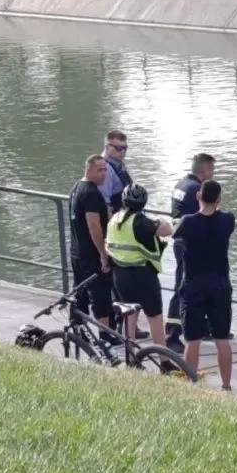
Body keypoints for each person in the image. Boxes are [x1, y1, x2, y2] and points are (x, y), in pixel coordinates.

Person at [174, 180, 236, 391]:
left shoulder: (188, 222)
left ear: (198, 196)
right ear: (219, 199)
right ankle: (226, 386)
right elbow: (226, 220)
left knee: (192, 340)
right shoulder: (228, 220)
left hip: (193, 286)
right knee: (222, 339)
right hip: (220, 285)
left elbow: (175, 234)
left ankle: (191, 385)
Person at [106, 183, 173, 344]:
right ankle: (163, 360)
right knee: (155, 317)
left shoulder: (114, 219)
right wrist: (162, 220)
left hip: (120, 275)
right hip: (143, 275)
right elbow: (167, 230)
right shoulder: (142, 222)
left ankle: (131, 357)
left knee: (130, 314)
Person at [165, 153, 216, 352]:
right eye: (212, 170)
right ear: (204, 170)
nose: (213, 174)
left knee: (197, 286)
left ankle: (201, 326)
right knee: (183, 288)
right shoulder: (197, 189)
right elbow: (206, 213)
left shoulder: (181, 184)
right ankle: (172, 334)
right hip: (191, 244)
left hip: (181, 240)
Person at [69, 154, 114, 336]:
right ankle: (105, 335)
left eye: (105, 170)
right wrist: (103, 253)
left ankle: (81, 334)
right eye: (99, 170)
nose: (103, 174)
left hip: (76, 251)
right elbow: (93, 225)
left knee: (80, 294)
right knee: (100, 295)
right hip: (91, 254)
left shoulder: (76, 187)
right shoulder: (92, 194)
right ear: (88, 169)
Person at [98, 129, 132, 213]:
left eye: (125, 148)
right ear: (107, 147)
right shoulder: (104, 169)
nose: (123, 152)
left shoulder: (118, 163)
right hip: (116, 220)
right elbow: (105, 204)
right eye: (118, 148)